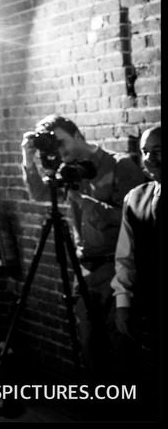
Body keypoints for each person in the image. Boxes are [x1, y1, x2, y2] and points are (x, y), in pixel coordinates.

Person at [20, 114, 147, 380]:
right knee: (90, 345)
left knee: (121, 344)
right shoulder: (66, 171)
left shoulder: (119, 166)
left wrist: (82, 200)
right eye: (54, 145)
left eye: (62, 141)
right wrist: (27, 159)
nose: (60, 150)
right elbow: (40, 194)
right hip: (87, 269)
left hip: (117, 266)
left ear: (77, 134)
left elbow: (131, 220)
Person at [112, 126, 161, 419]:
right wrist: (123, 303)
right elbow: (125, 256)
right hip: (149, 307)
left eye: (158, 151)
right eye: (145, 152)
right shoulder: (135, 198)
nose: (150, 159)